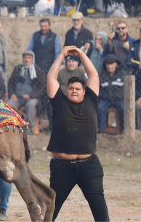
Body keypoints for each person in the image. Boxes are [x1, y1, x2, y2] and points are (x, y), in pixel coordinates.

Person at [45, 45, 108, 222]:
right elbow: (51, 77)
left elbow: (94, 75)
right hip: (62, 166)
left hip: (89, 165)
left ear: (84, 91)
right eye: (71, 88)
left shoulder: (91, 100)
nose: (74, 90)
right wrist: (61, 55)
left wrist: (80, 54)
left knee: (99, 204)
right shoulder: (59, 102)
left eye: (77, 88)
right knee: (52, 207)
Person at [7, 51, 47, 133]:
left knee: (30, 104)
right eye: (25, 57)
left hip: (32, 98)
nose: (27, 60)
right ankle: (11, 126)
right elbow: (10, 83)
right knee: (9, 104)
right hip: (17, 97)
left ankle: (29, 126)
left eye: (29, 58)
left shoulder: (38, 71)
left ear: (32, 59)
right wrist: (12, 94)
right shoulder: (18, 69)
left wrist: (31, 95)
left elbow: (42, 87)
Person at [97, 54, 125, 133]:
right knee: (100, 108)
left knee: (124, 108)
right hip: (105, 100)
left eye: (112, 64)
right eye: (108, 64)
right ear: (105, 65)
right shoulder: (101, 75)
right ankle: (100, 132)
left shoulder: (122, 74)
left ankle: (123, 131)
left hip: (119, 100)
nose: (110, 66)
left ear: (116, 64)